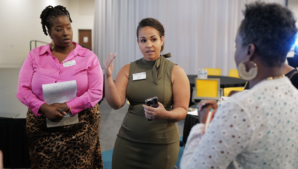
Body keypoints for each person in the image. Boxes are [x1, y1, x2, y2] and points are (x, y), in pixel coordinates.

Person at [180, 2, 298, 169]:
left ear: (249, 51)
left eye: (237, 45)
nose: (235, 53)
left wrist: (203, 124)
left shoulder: (241, 107)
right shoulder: (297, 98)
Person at [16, 5, 103, 168]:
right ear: (49, 32)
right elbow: (22, 91)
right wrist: (43, 107)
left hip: (81, 128)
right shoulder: (35, 56)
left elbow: (96, 92)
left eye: (68, 27)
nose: (66, 32)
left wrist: (69, 106)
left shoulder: (88, 57)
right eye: (59, 29)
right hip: (42, 127)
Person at [103, 18, 190, 169]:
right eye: (143, 40)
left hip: (162, 144)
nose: (148, 45)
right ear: (138, 42)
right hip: (128, 141)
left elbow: (182, 110)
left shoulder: (176, 71)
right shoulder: (128, 69)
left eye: (153, 39)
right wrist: (108, 76)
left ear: (162, 40)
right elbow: (116, 104)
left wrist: (165, 114)